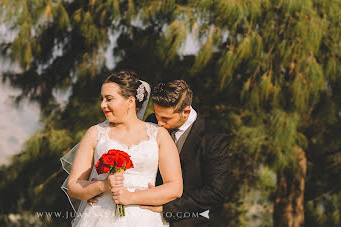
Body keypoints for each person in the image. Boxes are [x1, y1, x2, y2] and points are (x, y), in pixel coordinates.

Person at [64, 71, 183, 226]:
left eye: (109, 99)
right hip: (100, 217)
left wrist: (131, 197)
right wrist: (101, 185)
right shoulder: (95, 133)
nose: (102, 105)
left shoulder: (159, 135)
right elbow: (73, 186)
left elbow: (175, 187)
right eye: (102, 99)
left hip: (144, 219)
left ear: (130, 101)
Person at [142, 80, 230, 226]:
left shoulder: (214, 137)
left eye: (165, 118)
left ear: (186, 112)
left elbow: (215, 191)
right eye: (157, 115)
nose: (159, 124)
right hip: (145, 217)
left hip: (190, 221)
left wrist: (166, 208)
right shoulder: (152, 121)